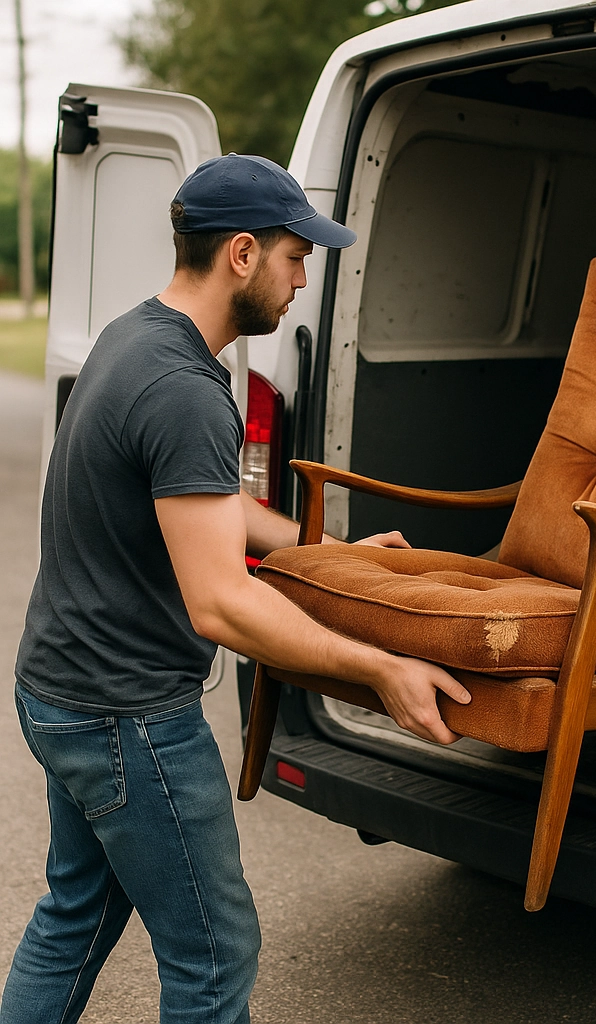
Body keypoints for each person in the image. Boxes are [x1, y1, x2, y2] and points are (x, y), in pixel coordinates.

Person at [0, 153, 470, 1024]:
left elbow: (209, 502)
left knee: (75, 917)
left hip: (62, 691)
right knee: (215, 959)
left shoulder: (136, 335)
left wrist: (327, 550)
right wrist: (380, 667)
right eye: (296, 257)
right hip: (126, 717)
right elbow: (221, 603)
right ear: (243, 254)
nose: (302, 280)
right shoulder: (184, 386)